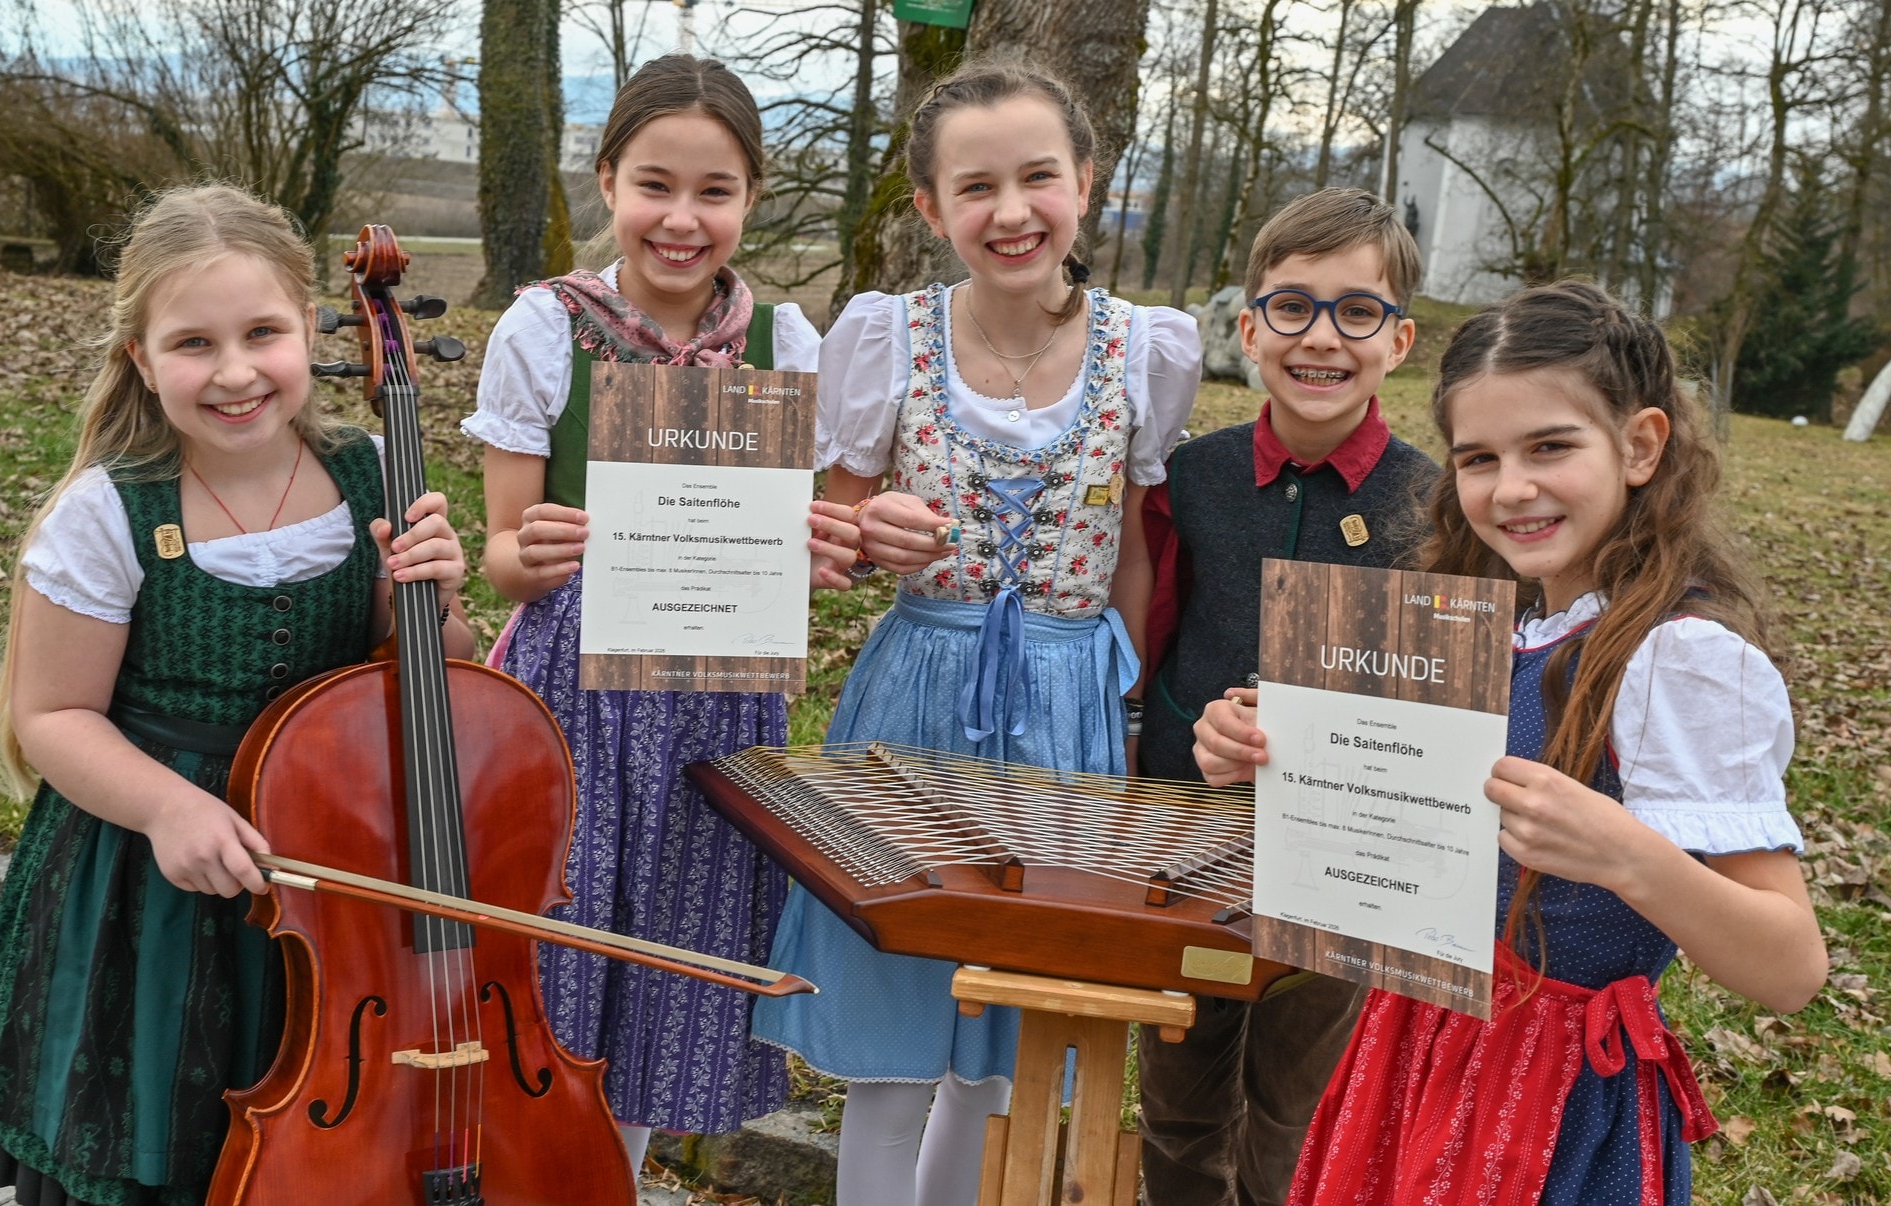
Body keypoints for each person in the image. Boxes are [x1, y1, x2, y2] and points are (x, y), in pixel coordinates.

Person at [1195, 280, 1828, 1205]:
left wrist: (1628, 855)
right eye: (1479, 458)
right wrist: (1265, 755)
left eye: (1551, 448)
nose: (1513, 487)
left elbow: (1791, 966)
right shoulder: (1477, 624)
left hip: (1546, 1090)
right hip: (1415, 1040)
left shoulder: (1681, 662)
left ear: (1642, 445)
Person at [0, 183, 475, 1205]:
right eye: (194, 343)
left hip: (333, 879)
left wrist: (437, 607)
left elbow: (421, 678)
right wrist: (169, 807)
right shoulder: (109, 509)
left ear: (306, 328)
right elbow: (51, 717)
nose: (236, 372)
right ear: (142, 357)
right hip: (154, 883)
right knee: (161, 1151)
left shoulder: (368, 471)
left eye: (263, 333)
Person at [750, 60, 1201, 1206]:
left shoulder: (1141, 349)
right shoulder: (884, 335)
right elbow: (836, 519)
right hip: (916, 696)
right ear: (929, 208)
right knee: (897, 1038)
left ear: (1085, 185)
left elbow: (1135, 547)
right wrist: (864, 531)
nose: (1010, 212)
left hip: (1065, 712)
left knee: (1005, 1043)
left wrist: (1130, 700)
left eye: (1037, 177)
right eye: (975, 186)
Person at [465, 53, 860, 1174]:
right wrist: (525, 552)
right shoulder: (546, 330)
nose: (681, 219)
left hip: (715, 706)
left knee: (663, 975)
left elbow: (815, 539)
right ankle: (522, 1179)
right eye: (654, 184)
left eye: (714, 191)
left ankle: (615, 1183)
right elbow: (501, 554)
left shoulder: (789, 345)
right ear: (605, 182)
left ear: (750, 197)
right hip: (576, 696)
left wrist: (817, 554)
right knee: (558, 969)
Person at [1132, 187, 1436, 1206]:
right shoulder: (1192, 478)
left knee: (1297, 1109)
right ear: (1248, 326)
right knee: (1177, 1090)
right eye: (1292, 306)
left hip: (1345, 861)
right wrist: (1192, 727)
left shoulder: (1432, 506)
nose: (1321, 337)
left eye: (1357, 312)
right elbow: (1156, 634)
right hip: (1189, 834)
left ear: (1398, 340)